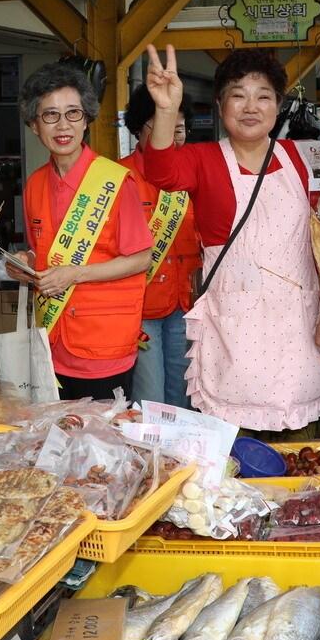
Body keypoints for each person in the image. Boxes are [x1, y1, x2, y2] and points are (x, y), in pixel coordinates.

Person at [140, 46, 320, 434]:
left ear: (278, 105)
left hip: (300, 331)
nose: (251, 106)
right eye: (238, 95)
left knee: (300, 454)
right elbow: (161, 171)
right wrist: (166, 110)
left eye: (263, 96)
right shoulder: (204, 159)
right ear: (220, 105)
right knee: (235, 457)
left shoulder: (303, 159)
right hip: (234, 335)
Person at [8, 61, 151, 401]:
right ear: (33, 125)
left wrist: (75, 274)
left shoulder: (116, 182)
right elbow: (42, 252)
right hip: (53, 341)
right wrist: (24, 262)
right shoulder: (35, 184)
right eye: (50, 115)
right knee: (59, 441)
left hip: (104, 343)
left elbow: (141, 258)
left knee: (103, 445)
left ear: (86, 119)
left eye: (73, 114)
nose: (63, 125)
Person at [118, 82, 202, 410]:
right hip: (139, 307)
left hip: (186, 300)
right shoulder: (118, 176)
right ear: (139, 128)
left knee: (183, 398)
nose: (171, 135)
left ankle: (179, 463)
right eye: (163, 125)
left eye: (179, 128)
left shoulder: (193, 172)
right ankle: (153, 462)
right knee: (149, 401)